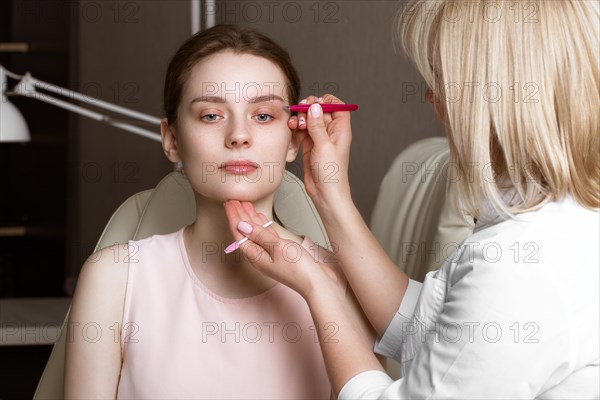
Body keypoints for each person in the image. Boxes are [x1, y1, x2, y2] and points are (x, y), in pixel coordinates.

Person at [224, 0, 600, 398]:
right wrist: (330, 195)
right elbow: (427, 331)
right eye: (212, 115)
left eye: (440, 79)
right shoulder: (560, 221)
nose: (429, 97)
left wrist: (317, 287)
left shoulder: (521, 268)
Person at [64, 24, 373, 399]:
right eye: (211, 115)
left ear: (293, 140)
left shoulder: (345, 285)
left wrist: (319, 287)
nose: (238, 135)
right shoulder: (113, 280)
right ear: (172, 140)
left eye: (263, 116)